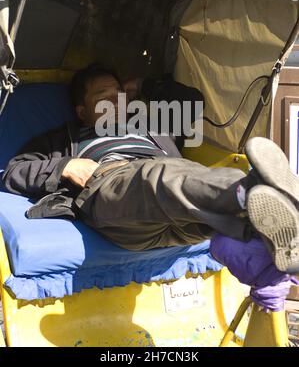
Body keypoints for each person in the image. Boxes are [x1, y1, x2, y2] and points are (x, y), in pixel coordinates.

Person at [3, 64, 299, 274]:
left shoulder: (151, 125)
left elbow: (190, 101)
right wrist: (67, 165)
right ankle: (251, 192)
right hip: (117, 199)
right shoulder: (62, 138)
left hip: (181, 216)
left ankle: (272, 227)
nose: (115, 101)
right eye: (103, 96)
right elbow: (13, 172)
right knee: (156, 176)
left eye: (118, 93)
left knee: (187, 188)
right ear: (82, 111)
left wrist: (142, 86)